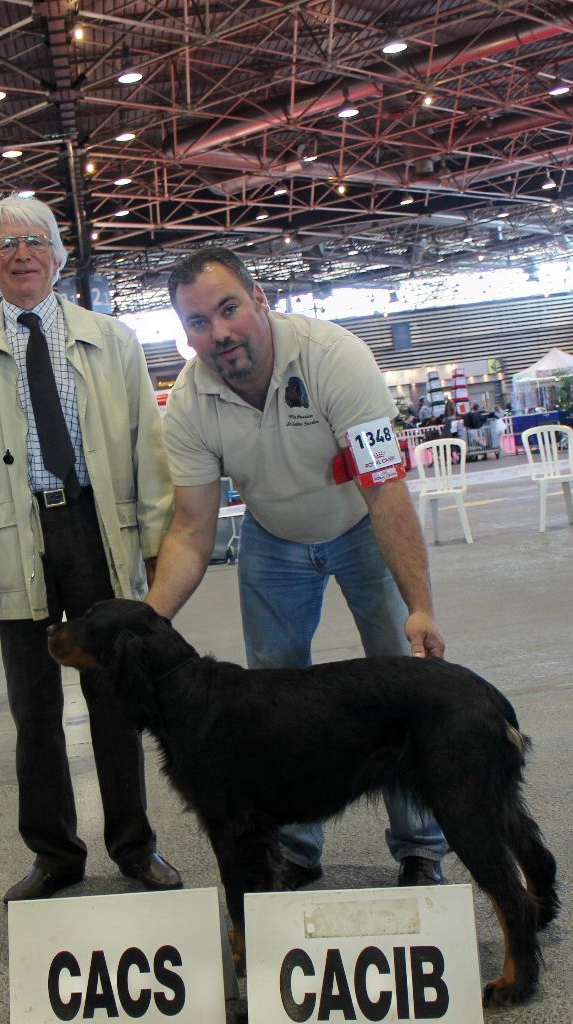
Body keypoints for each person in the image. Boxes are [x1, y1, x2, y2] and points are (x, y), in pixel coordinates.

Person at [146, 246, 448, 889]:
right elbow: (194, 531)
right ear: (187, 333)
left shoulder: (335, 358)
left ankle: (421, 846)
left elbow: (383, 487)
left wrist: (419, 604)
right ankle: (294, 849)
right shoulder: (191, 405)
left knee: (401, 680)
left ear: (260, 300)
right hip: (273, 538)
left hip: (360, 524)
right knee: (272, 697)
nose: (219, 333)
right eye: (199, 322)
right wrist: (148, 621)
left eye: (228, 309)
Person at [0, 194, 181, 904]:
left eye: (35, 241)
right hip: (17, 541)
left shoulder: (113, 340)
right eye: (5, 246)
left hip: (99, 535)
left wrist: (159, 539)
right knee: (32, 712)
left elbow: (147, 446)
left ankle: (135, 847)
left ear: (58, 254)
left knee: (117, 699)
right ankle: (54, 856)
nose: (22, 255)